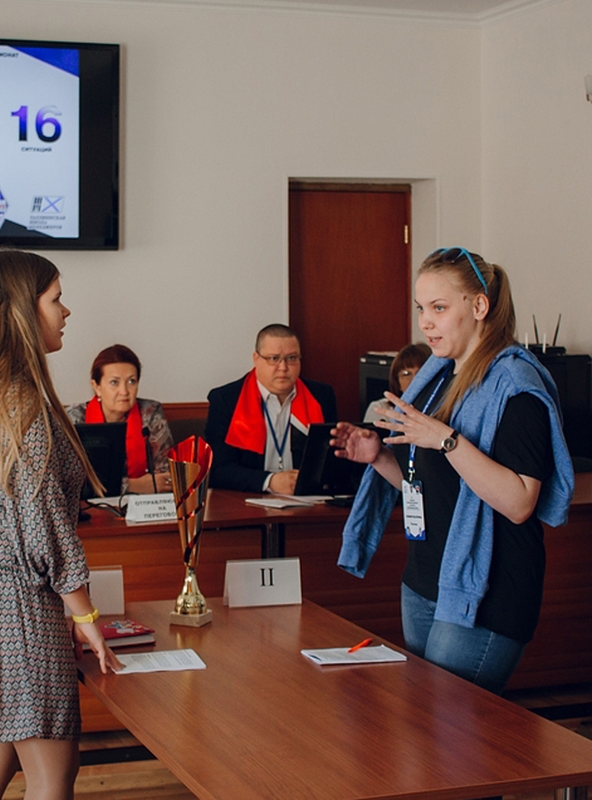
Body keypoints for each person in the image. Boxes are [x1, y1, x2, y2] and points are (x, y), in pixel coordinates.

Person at [0, 249, 122, 800]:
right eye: (56, 299)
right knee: (52, 774)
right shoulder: (18, 402)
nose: (66, 311)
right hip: (10, 608)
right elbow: (45, 527)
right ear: (21, 310)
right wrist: (86, 616)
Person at [333, 247, 574, 694]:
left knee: (447, 727)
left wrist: (446, 440)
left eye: (439, 308)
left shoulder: (516, 387)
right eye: (421, 309)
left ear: (479, 306)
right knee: (423, 726)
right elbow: (431, 487)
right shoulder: (437, 378)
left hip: (486, 592)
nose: (425, 323)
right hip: (426, 581)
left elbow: (519, 503)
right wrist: (379, 456)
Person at [203, 324, 337, 494]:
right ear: (256, 359)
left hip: (307, 498)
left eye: (291, 358)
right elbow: (217, 470)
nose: (283, 367)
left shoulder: (321, 396)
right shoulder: (226, 399)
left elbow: (331, 462)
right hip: (248, 499)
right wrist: (270, 481)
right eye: (274, 358)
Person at [66, 344, 174, 494]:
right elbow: (69, 481)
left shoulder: (150, 413)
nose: (124, 391)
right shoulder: (73, 418)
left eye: (131, 381)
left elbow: (165, 478)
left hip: (142, 504)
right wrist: (132, 486)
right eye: (114, 382)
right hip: (89, 505)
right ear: (96, 386)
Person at [364, 343, 432, 424]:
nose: (414, 380)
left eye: (421, 373)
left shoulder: (441, 408)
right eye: (406, 374)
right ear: (397, 383)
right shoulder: (381, 408)